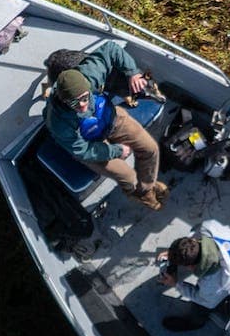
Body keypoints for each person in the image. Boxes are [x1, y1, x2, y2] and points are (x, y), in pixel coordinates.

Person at [43, 39, 166, 209]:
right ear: (63, 100)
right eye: (74, 103)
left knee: (150, 149)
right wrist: (115, 151)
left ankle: (146, 188)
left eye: (85, 98)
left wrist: (132, 73)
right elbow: (83, 150)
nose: (82, 105)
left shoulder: (90, 73)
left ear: (87, 85)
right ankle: (140, 195)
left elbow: (110, 48)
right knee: (128, 177)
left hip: (111, 119)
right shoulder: (58, 121)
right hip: (89, 144)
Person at [158, 220, 230, 315]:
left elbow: (207, 302)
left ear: (190, 266)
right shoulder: (209, 227)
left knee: (205, 305)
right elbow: (193, 239)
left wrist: (176, 284)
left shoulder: (213, 282)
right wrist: (175, 253)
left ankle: (195, 323)